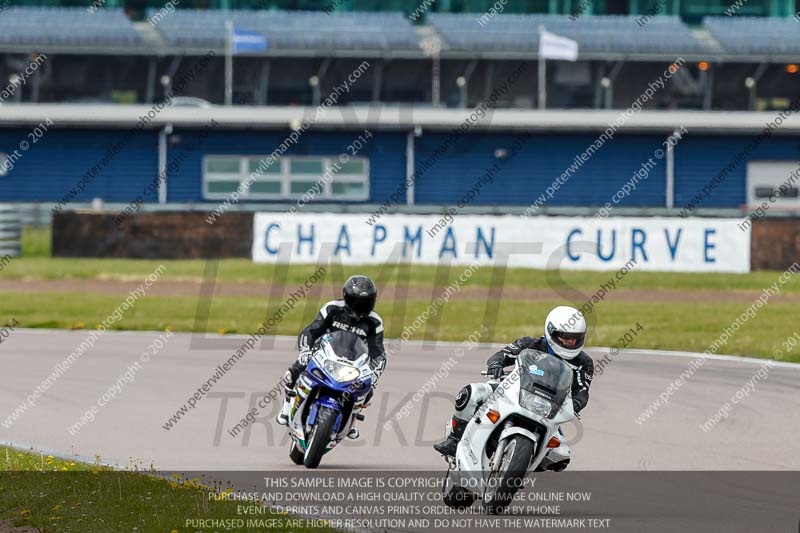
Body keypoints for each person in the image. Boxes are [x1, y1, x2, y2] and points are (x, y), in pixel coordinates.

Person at [433, 305, 593, 471]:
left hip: (549, 407)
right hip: (514, 390)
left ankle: (521, 465)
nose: (570, 342)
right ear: (552, 332)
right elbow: (502, 355)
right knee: (472, 393)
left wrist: (576, 404)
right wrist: (496, 364)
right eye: (565, 337)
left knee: (561, 455)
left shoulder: (584, 362)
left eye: (575, 338)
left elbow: (582, 389)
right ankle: (455, 440)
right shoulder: (530, 344)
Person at [276, 275, 386, 439]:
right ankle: (286, 405)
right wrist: (305, 350)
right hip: (324, 354)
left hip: (353, 363)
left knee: (368, 389)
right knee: (298, 367)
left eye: (366, 302)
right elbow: (310, 331)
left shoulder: (374, 322)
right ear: (347, 297)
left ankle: (352, 421)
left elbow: (378, 352)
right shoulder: (332, 308)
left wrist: (375, 373)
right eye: (357, 302)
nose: (361, 307)